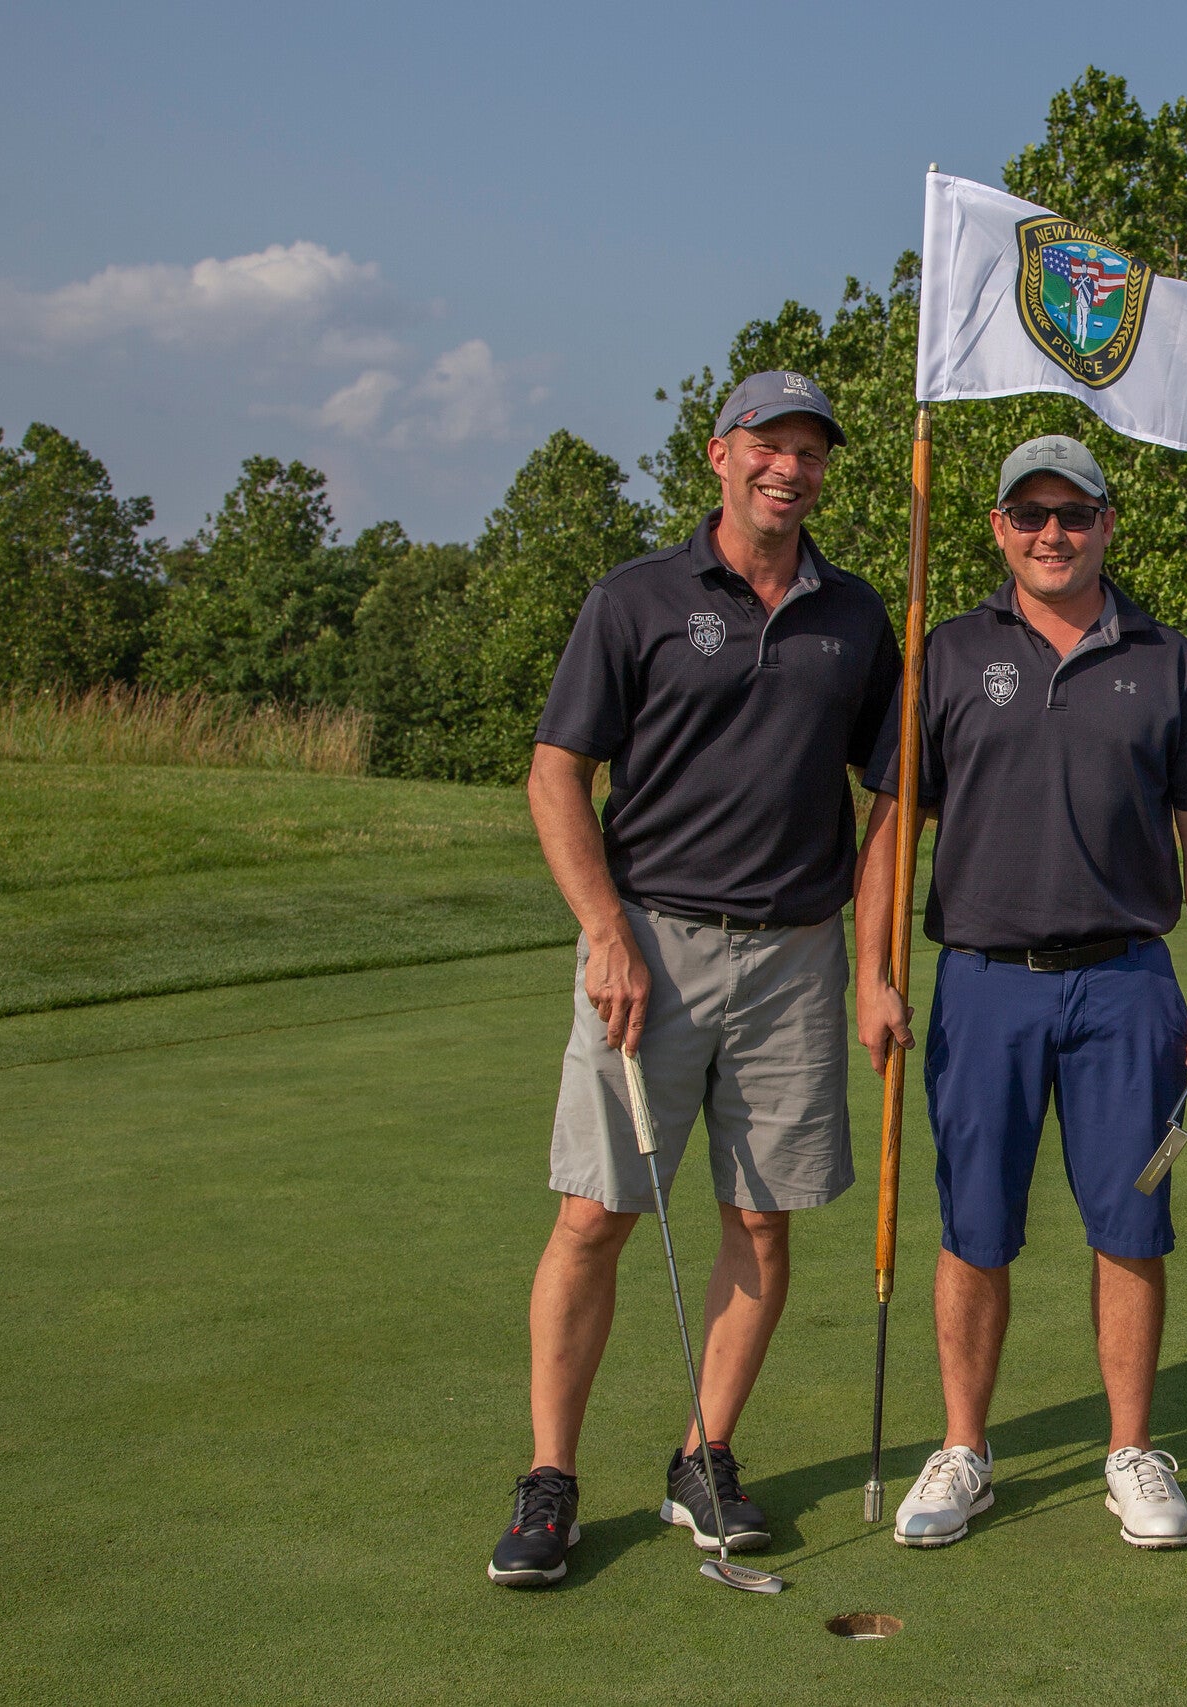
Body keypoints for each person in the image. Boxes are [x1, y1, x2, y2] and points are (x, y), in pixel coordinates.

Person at [485, 371, 900, 1587]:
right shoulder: (639, 598)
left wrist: (874, 964)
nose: (791, 468)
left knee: (762, 1222)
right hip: (649, 947)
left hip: (795, 954)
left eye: (811, 452)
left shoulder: (857, 615)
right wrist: (603, 931)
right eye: (768, 446)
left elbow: (890, 801)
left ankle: (702, 1459)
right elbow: (556, 772)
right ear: (718, 455)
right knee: (595, 1216)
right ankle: (551, 1478)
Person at [855, 434, 1187, 1551]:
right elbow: (890, 826)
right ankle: (964, 1448)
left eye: (1074, 515)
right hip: (983, 984)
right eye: (1029, 515)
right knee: (976, 1226)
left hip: (1128, 984)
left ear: (1108, 526)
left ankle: (1131, 1449)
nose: (1052, 535)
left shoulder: (1163, 657)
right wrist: (874, 975)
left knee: (1132, 1220)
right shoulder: (946, 649)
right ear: (997, 530)